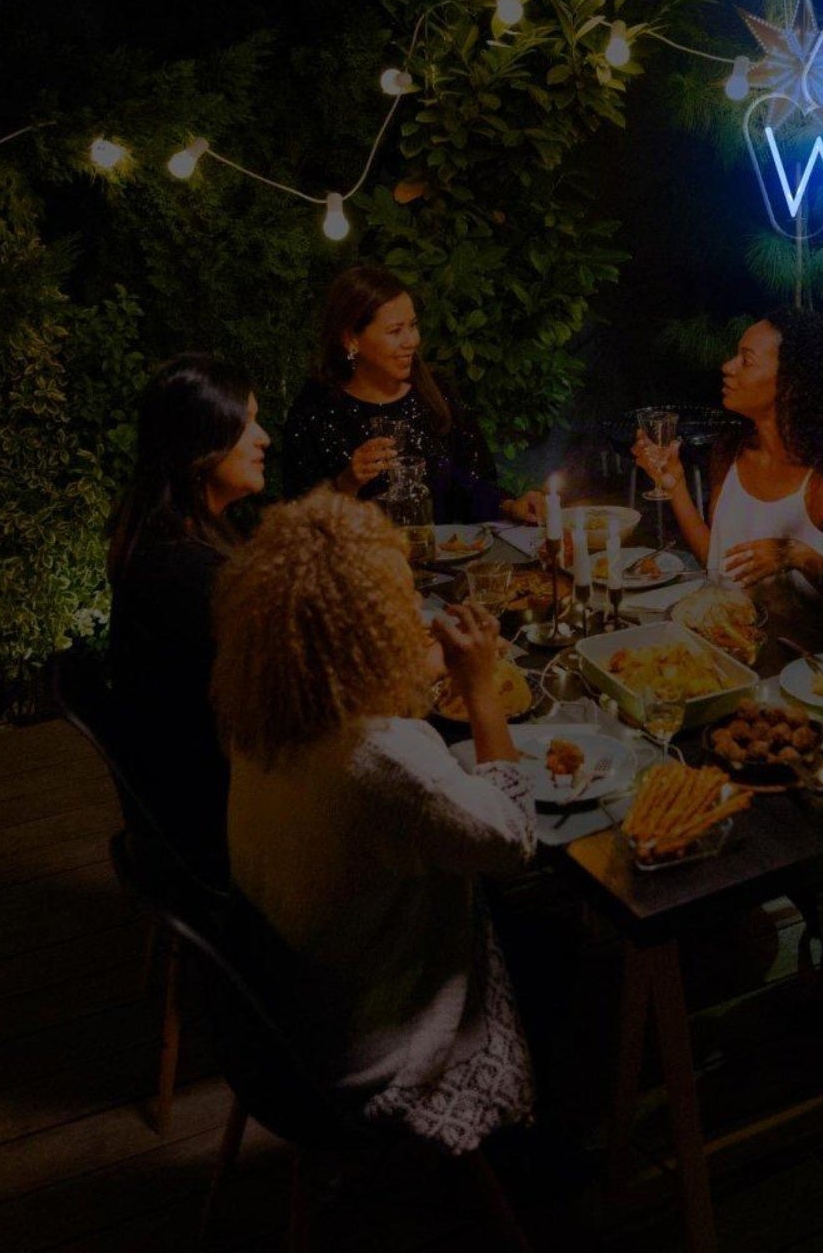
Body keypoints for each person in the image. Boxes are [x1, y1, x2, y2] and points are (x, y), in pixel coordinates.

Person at [211, 488, 536, 1155]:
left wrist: (414, 672)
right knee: (546, 915)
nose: (416, 612)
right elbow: (512, 838)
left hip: (275, 1017)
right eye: (402, 601)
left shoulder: (263, 708)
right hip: (371, 1059)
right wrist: (478, 688)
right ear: (366, 627)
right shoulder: (379, 760)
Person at [107, 354, 269, 881]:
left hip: (195, 796)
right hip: (216, 820)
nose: (263, 438)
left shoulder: (175, 538)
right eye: (245, 425)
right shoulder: (186, 572)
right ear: (200, 445)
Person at [632, 308, 823, 615]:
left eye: (746, 360)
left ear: (791, 382)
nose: (727, 367)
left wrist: (797, 555)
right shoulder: (730, 454)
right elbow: (720, 565)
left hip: (805, 658)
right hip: (730, 640)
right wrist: (675, 483)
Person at [283, 264, 544, 525]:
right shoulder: (317, 411)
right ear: (352, 339)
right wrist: (347, 483)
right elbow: (300, 521)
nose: (412, 340)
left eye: (413, 326)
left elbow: (471, 483)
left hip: (446, 558)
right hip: (362, 563)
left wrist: (509, 506)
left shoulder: (434, 392)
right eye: (395, 331)